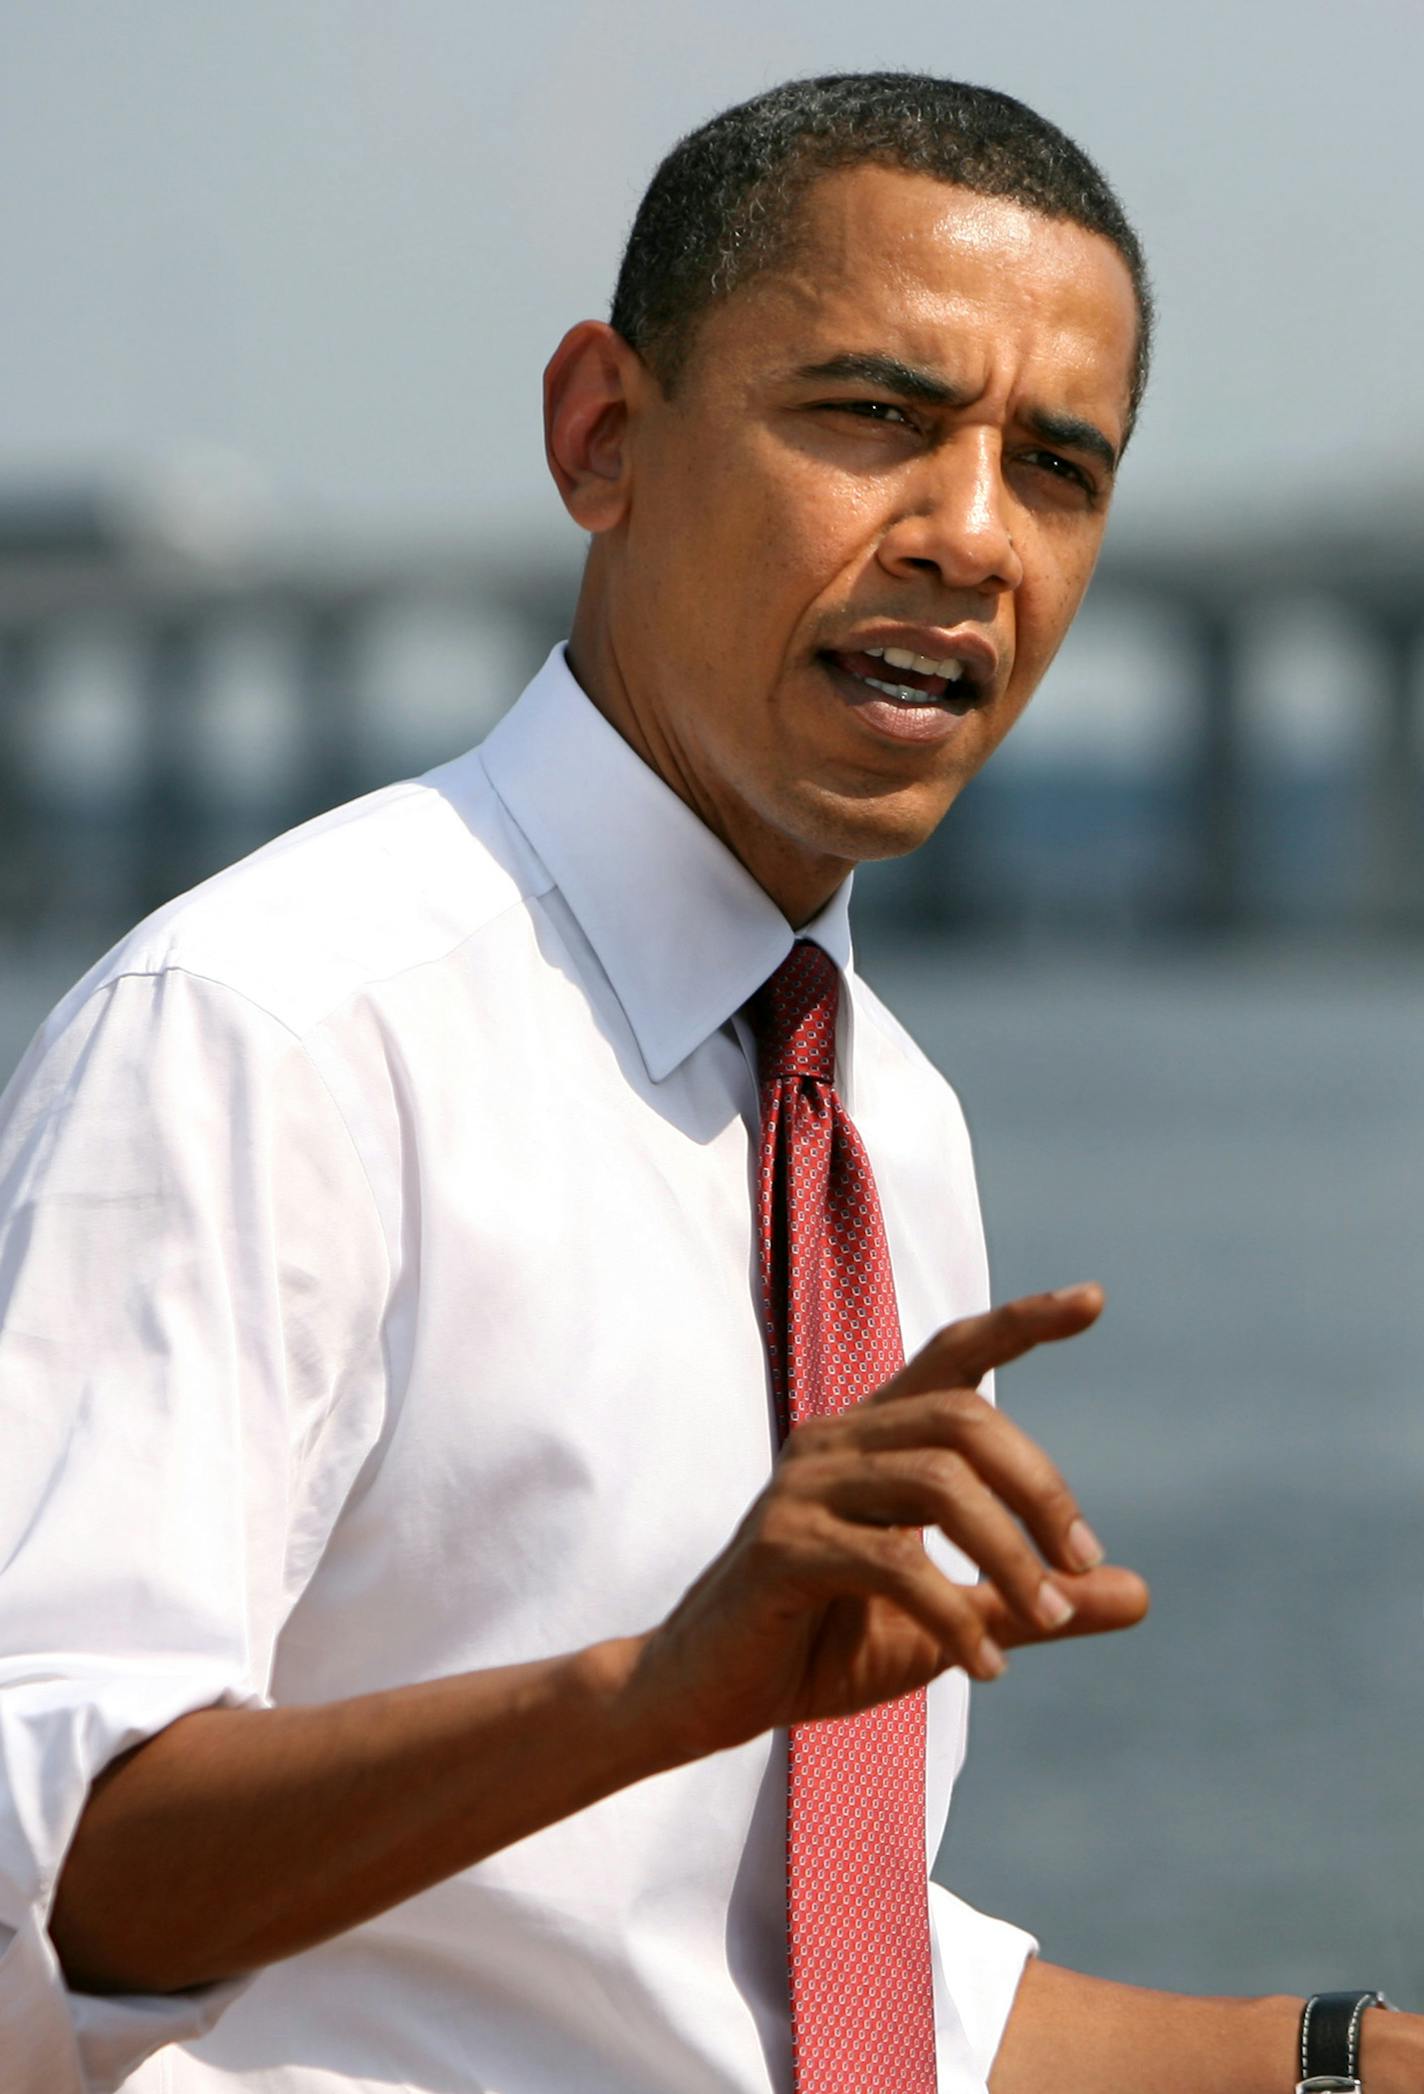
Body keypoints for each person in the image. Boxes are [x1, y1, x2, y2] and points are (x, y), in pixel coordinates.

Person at [0, 69, 1418, 2094]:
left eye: (1059, 467)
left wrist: (1346, 2060)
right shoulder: (269, 1030)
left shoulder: (884, 1132)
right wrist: (653, 1692)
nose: (968, 535)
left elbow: (759, 1990)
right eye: (872, 417)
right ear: (602, 432)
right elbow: (48, 1895)